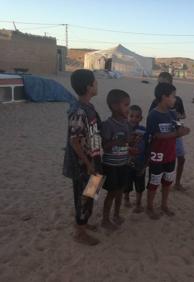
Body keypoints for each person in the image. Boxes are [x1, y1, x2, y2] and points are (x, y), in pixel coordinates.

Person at [62, 69, 102, 246]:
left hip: (94, 160)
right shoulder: (78, 111)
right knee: (83, 197)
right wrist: (88, 163)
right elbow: (75, 141)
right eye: (95, 82)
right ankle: (80, 232)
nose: (97, 84)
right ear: (88, 86)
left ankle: (84, 223)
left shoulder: (89, 107)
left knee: (91, 193)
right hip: (83, 165)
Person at [146, 83, 190, 219]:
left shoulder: (172, 114)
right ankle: (149, 207)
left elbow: (177, 127)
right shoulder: (153, 115)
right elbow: (156, 135)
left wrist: (183, 130)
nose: (175, 99)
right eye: (173, 96)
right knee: (154, 182)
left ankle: (164, 205)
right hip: (157, 155)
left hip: (170, 155)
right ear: (164, 97)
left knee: (167, 181)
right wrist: (177, 134)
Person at [101, 89, 133, 230]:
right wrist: (117, 142)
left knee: (120, 190)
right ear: (114, 106)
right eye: (126, 105)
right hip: (110, 165)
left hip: (123, 163)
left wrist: (132, 142)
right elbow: (105, 146)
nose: (128, 109)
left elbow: (128, 141)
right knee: (112, 192)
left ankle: (116, 214)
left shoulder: (127, 124)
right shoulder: (108, 125)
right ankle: (105, 219)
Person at [149, 72, 187, 191]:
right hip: (162, 139)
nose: (159, 85)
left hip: (175, 134)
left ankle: (176, 183)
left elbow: (183, 115)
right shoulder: (156, 103)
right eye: (159, 83)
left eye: (162, 83)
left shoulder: (177, 100)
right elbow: (152, 123)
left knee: (180, 158)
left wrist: (176, 117)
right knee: (159, 164)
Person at [124, 105, 149, 213]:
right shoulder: (124, 129)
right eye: (131, 116)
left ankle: (138, 203)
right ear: (127, 116)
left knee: (140, 185)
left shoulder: (144, 130)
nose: (134, 119)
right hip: (126, 163)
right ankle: (126, 199)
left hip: (140, 163)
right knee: (127, 184)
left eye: (137, 116)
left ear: (141, 118)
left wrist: (146, 164)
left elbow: (148, 145)